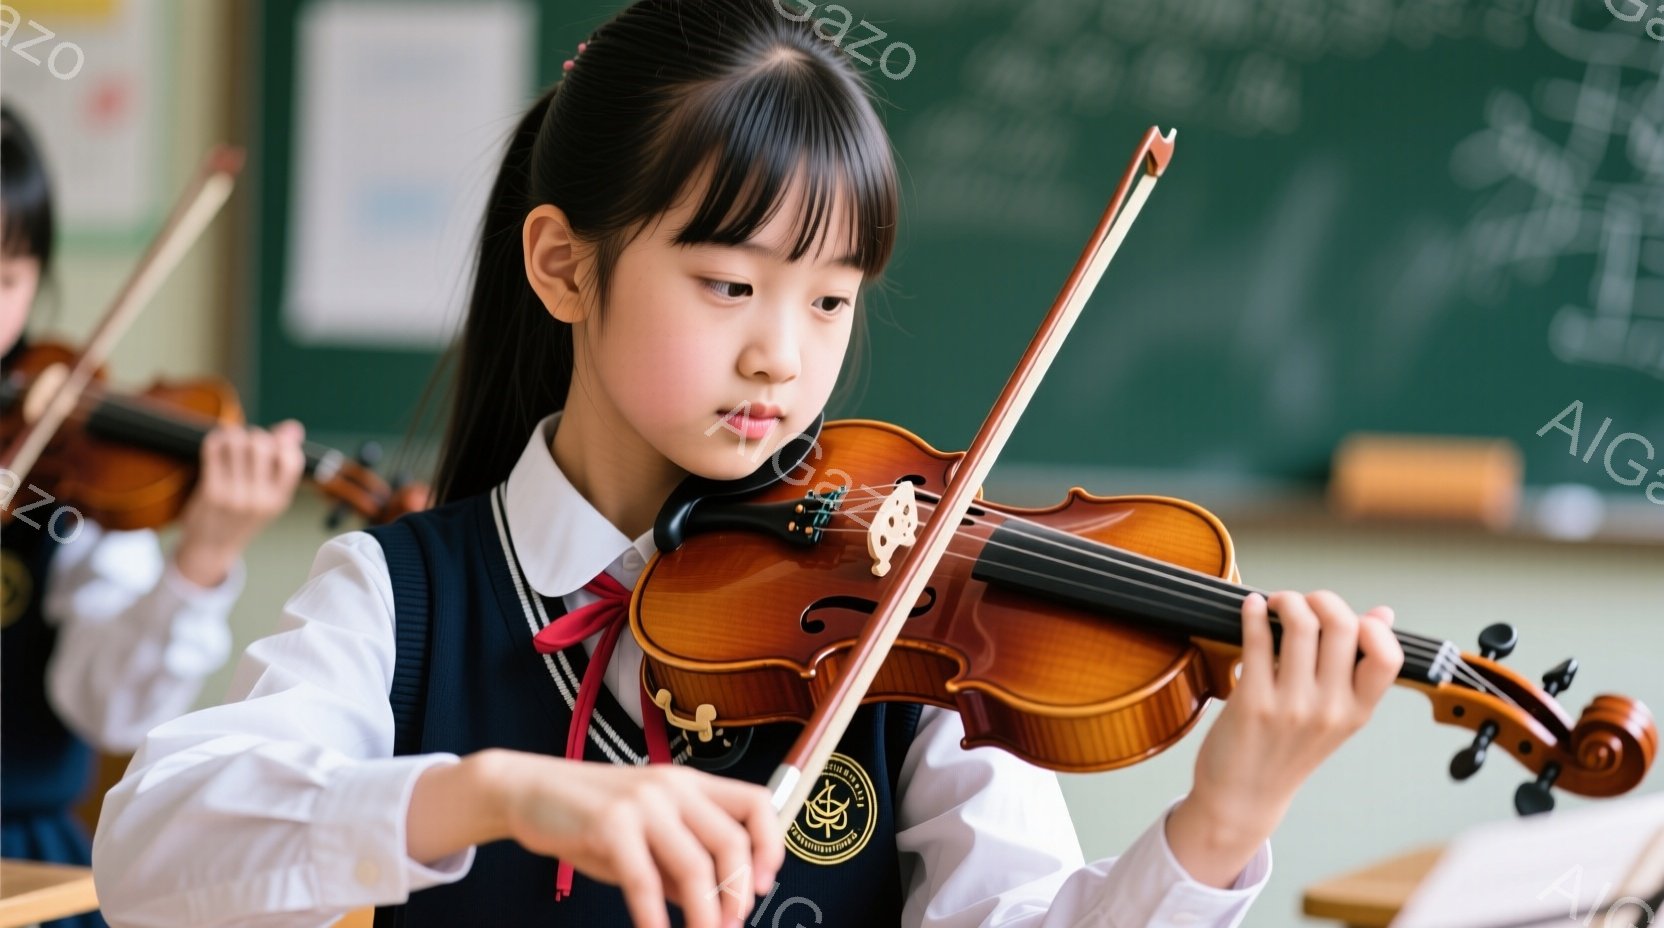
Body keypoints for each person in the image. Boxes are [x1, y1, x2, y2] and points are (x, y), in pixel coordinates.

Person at [91, 3, 1404, 926]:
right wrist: (495, 794)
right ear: (563, 265)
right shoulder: (402, 597)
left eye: (830, 301)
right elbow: (155, 858)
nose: (784, 355)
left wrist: (1219, 827)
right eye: (729, 283)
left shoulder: (912, 624)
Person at [0, 103, 306, 928]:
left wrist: (200, 558)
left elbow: (109, 710)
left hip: (21, 870)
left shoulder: (68, 480)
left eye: (5, 279)